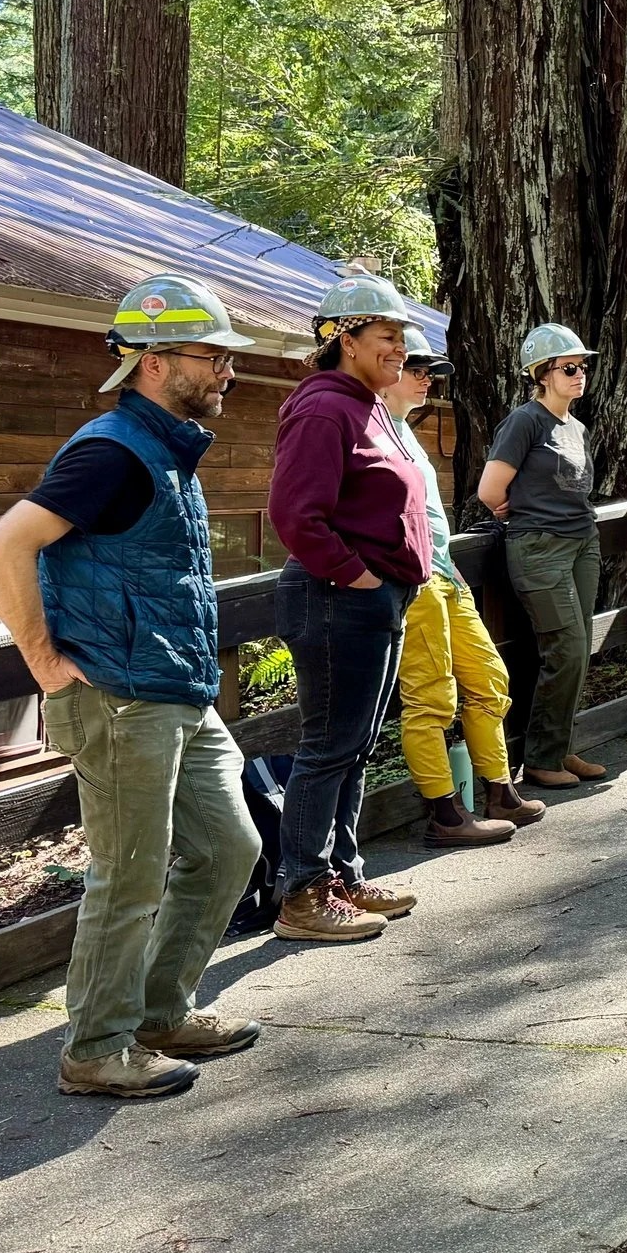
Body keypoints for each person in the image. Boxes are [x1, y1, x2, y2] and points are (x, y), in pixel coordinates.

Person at [0, 274, 264, 1098]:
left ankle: (160, 1014)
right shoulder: (111, 450)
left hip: (175, 689)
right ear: (151, 361)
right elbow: (1, 549)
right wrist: (43, 661)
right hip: (118, 695)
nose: (226, 371)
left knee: (229, 847)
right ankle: (97, 1048)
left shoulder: (167, 450)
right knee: (129, 871)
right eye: (211, 355)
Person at [268, 269, 432, 944]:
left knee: (356, 746)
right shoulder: (322, 407)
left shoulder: (368, 403)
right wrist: (358, 577)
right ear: (344, 337)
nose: (400, 348)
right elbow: (295, 514)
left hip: (375, 598)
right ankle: (302, 892)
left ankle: (343, 872)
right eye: (388, 335)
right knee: (328, 744)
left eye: (401, 336)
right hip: (337, 598)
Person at [387, 326, 545, 844]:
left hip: (444, 571)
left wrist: (449, 565)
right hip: (412, 578)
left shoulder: (403, 429)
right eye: (416, 369)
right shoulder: (368, 428)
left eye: (431, 371)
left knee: (490, 677)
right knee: (430, 697)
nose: (427, 379)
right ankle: (446, 812)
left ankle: (499, 789)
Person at [480, 324, 609, 789]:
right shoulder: (525, 421)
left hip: (581, 543)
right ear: (541, 374)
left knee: (579, 646)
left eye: (583, 367)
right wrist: (524, 507)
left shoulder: (576, 427)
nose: (580, 374)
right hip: (539, 547)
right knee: (566, 648)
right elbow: (489, 490)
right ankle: (539, 759)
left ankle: (559, 748)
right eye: (569, 368)